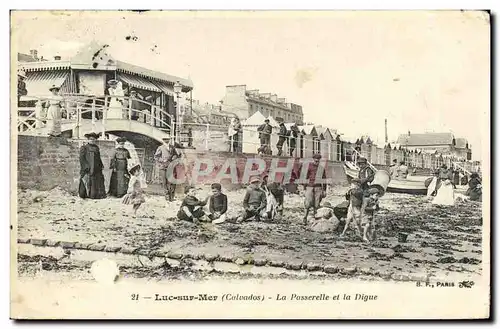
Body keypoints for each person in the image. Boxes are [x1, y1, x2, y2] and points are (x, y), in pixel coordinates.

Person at [78, 132, 106, 199]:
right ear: (88, 140)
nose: (92, 141)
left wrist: (101, 164)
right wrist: (86, 166)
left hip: (96, 167)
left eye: (93, 139)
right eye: (90, 139)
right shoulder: (84, 148)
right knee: (86, 179)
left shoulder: (96, 148)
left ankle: (94, 195)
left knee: (96, 180)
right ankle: (85, 194)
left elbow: (98, 158)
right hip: (88, 168)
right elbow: (82, 158)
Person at [154, 135, 182, 201]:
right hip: (163, 167)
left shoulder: (172, 147)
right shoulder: (160, 148)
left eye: (167, 139)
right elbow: (156, 157)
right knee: (164, 182)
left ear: (169, 140)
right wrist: (162, 160)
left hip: (171, 167)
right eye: (165, 139)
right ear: (163, 140)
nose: (166, 140)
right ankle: (167, 196)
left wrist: (175, 157)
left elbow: (176, 155)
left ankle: (171, 197)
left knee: (172, 181)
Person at [303, 153, 328, 224]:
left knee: (316, 205)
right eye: (315, 161)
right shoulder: (309, 167)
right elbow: (305, 177)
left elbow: (324, 179)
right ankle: (305, 218)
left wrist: (324, 190)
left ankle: (315, 219)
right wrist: (304, 188)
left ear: (319, 161)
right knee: (307, 203)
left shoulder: (321, 168)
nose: (316, 162)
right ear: (313, 160)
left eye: (318, 161)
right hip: (310, 186)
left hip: (318, 187)